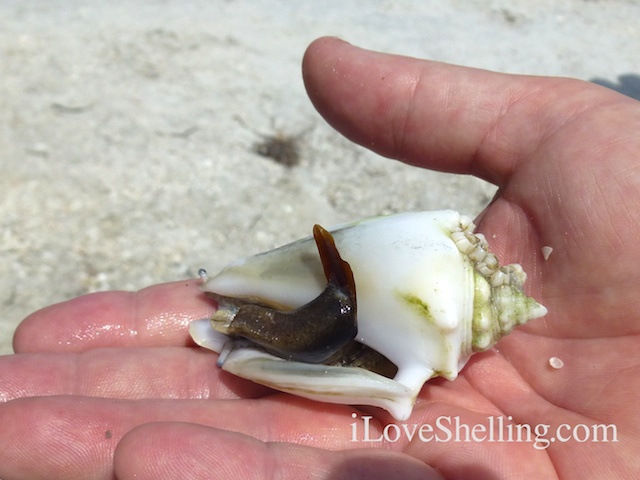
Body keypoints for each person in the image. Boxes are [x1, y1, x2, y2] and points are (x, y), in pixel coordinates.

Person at [1, 37, 637, 479]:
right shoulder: (430, 261)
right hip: (406, 295)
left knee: (319, 319)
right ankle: (243, 321)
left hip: (412, 295)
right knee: (318, 312)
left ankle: (245, 327)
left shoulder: (433, 246)